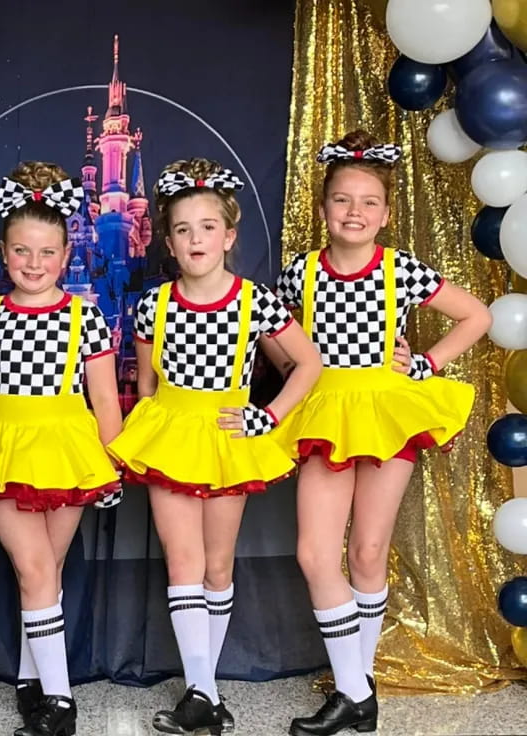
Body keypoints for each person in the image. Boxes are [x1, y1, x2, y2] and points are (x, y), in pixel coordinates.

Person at [267, 131, 491, 736]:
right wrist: (294, 372)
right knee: (315, 553)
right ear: (323, 209)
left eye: (369, 202)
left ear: (386, 214)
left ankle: (356, 692)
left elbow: (476, 314)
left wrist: (427, 363)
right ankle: (354, 692)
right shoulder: (299, 274)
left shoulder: (400, 269)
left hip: (387, 412)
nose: (355, 212)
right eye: (342, 200)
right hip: (326, 414)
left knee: (367, 552)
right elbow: (275, 335)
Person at [107, 158, 321, 736]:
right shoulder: (152, 304)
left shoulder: (255, 299)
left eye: (207, 227)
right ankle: (202, 693)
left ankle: (204, 692)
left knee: (218, 563)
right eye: (182, 229)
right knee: (184, 561)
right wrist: (150, 430)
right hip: (171, 431)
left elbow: (308, 364)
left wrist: (268, 416)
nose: (195, 239)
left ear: (228, 236)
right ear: (169, 242)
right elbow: (146, 385)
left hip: (227, 434)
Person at [0, 162, 123, 736]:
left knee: (47, 571)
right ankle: (61, 702)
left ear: (67, 254)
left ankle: (31, 680)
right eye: (22, 250)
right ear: (3, 251)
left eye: (47, 252)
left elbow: (104, 399)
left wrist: (113, 464)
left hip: (67, 449)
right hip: (2, 449)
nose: (34, 263)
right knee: (35, 567)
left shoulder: (85, 315)